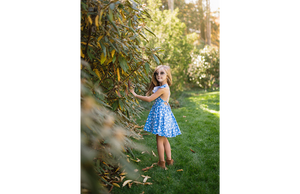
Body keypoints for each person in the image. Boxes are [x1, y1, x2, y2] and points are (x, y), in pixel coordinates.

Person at [129, 65, 181, 169]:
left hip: (161, 116)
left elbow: (149, 99)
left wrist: (134, 94)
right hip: (163, 114)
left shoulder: (163, 89)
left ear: (167, 75)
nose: (158, 75)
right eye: (156, 73)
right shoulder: (163, 87)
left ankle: (161, 163)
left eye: (162, 73)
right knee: (164, 139)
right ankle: (169, 160)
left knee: (159, 139)